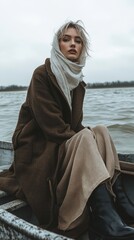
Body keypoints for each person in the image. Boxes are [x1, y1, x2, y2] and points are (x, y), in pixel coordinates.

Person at [0, 20, 134, 240]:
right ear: (57, 45)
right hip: (39, 153)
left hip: (61, 147)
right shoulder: (42, 75)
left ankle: (118, 203)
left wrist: (92, 139)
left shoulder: (78, 84)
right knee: (85, 137)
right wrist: (87, 142)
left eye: (78, 40)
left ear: (83, 48)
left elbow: (74, 126)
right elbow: (53, 128)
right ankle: (105, 217)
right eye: (66, 39)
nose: (73, 44)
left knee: (100, 130)